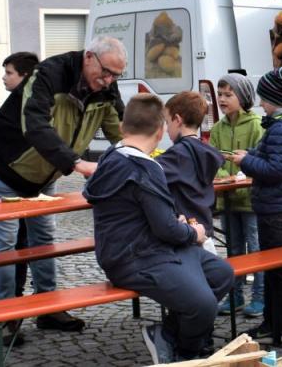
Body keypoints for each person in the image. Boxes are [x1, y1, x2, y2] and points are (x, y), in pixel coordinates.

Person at [0, 36, 126, 337]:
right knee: (5, 246)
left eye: (116, 75)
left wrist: (142, 158)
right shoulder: (48, 74)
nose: (109, 80)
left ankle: (48, 308)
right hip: (4, 167)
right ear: (88, 57)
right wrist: (76, 163)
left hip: (46, 176)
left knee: (44, 238)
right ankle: (5, 316)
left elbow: (120, 132)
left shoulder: (107, 87)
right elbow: (34, 125)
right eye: (106, 72)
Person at [83, 94, 233, 363]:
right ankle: (185, 356)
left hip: (148, 248)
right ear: (161, 130)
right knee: (203, 305)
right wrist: (195, 234)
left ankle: (167, 335)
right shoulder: (143, 167)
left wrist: (179, 228)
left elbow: (156, 220)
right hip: (135, 257)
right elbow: (166, 228)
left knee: (222, 274)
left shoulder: (111, 156)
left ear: (121, 128)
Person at [226, 67, 282, 344]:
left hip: (275, 206)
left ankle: (279, 324)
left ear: (273, 99)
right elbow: (273, 156)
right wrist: (251, 154)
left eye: (263, 98)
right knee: (278, 265)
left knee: (275, 266)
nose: (260, 103)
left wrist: (245, 162)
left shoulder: (281, 127)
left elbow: (275, 169)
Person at [208, 73, 265, 317]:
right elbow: (213, 158)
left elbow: (260, 158)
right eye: (220, 95)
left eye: (228, 95)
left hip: (250, 201)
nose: (222, 99)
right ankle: (236, 295)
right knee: (233, 250)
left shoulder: (256, 125)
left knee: (256, 249)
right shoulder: (218, 128)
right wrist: (221, 173)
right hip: (228, 200)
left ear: (242, 98)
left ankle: (261, 297)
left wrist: (244, 169)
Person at [156, 91, 223, 240]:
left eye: (167, 122)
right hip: (205, 227)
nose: (166, 129)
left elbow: (146, 171)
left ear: (178, 120)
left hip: (187, 231)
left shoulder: (177, 155)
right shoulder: (206, 150)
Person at [1, 51, 40, 301]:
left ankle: (20, 299)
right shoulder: (13, 103)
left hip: (24, 182)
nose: (3, 78)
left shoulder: (30, 105)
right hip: (13, 181)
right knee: (19, 241)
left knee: (24, 241)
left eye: (9, 73)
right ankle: (15, 298)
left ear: (25, 76)